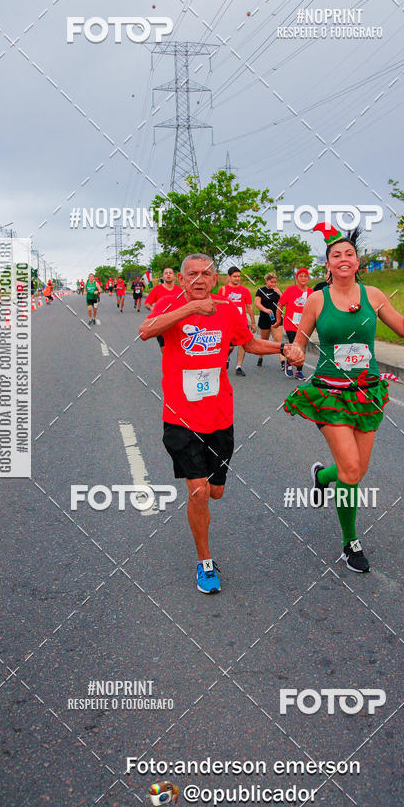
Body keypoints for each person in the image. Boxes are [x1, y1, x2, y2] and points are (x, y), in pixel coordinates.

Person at [139, 253, 303, 594]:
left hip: (219, 417)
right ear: (181, 279)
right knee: (198, 491)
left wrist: (283, 347)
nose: (199, 279)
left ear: (215, 280)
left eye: (206, 274)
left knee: (216, 491)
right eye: (192, 274)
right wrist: (190, 309)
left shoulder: (228, 310)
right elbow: (145, 331)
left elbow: (250, 343)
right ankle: (205, 561)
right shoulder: (170, 304)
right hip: (180, 418)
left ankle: (207, 511)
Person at [283, 224, 404, 573]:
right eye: (336, 255)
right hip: (329, 394)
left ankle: (321, 478)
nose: (343, 259)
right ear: (327, 264)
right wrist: (294, 353)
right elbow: (299, 342)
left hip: (366, 391)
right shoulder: (317, 300)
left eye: (349, 254)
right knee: (350, 468)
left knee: (356, 471)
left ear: (358, 262)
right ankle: (350, 543)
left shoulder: (373, 295)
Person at [276, 268, 313, 380]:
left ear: (308, 278)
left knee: (302, 347)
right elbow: (280, 304)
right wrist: (278, 320)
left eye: (305, 276)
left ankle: (299, 371)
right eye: (301, 276)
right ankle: (289, 363)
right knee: (295, 344)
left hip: (305, 324)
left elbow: (315, 309)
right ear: (296, 278)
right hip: (291, 323)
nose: (303, 278)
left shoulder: (311, 292)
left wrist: (316, 323)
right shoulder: (290, 290)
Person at [217, 266, 255, 376]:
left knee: (243, 344)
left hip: (242, 322)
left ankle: (239, 366)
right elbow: (219, 306)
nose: (237, 278)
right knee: (230, 346)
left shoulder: (245, 290)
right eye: (235, 276)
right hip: (228, 323)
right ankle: (226, 357)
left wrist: (253, 322)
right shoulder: (223, 290)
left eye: (239, 276)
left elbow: (249, 307)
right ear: (229, 277)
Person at [144, 267, 184, 351]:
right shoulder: (157, 289)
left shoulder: (179, 290)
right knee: (164, 349)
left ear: (174, 277)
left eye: (170, 273)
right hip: (161, 323)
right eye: (166, 273)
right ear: (163, 277)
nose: (168, 275)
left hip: (177, 323)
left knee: (179, 348)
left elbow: (185, 304)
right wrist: (153, 309)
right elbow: (147, 304)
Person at [254, 272, 284, 370]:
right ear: (266, 281)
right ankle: (260, 357)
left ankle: (283, 362)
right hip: (264, 318)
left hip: (276, 318)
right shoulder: (261, 291)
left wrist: (280, 293)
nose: (273, 284)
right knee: (264, 340)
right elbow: (257, 303)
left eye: (275, 282)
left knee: (278, 340)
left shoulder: (278, 290)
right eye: (271, 282)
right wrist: (265, 310)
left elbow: (285, 302)